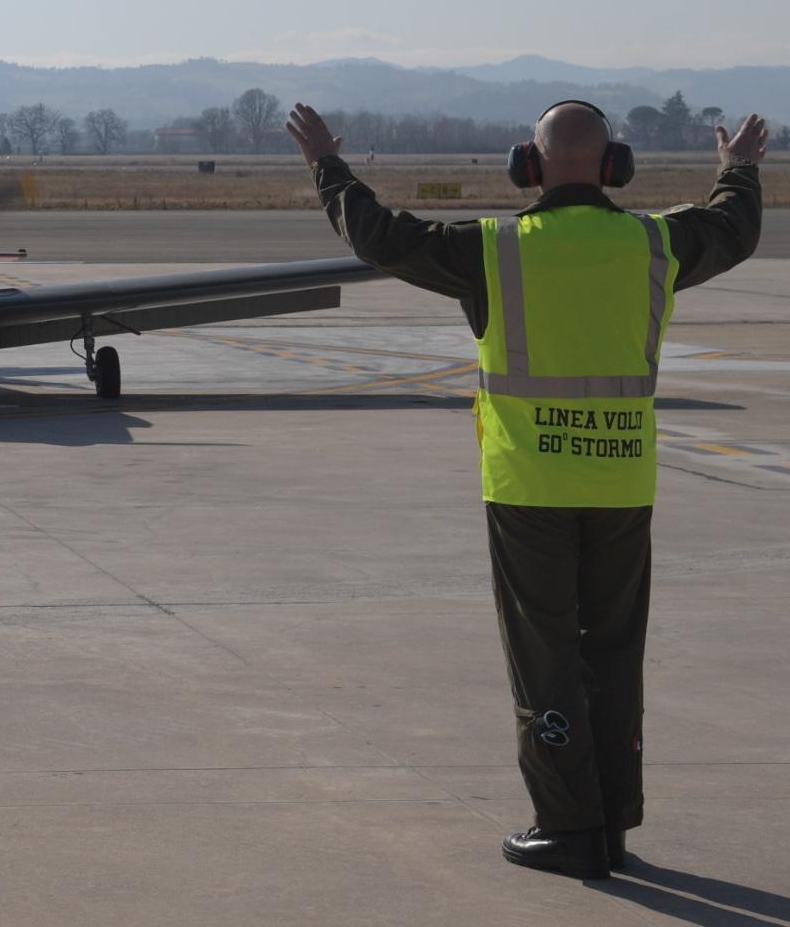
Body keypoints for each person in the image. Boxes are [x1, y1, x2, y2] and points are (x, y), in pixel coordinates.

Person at [285, 100, 765, 879]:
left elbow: (380, 236)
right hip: (620, 481)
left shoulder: (491, 249)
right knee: (612, 656)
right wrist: (737, 166)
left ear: (526, 167)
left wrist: (326, 167)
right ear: (615, 166)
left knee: (544, 658)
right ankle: (610, 820)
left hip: (528, 486)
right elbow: (733, 227)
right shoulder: (654, 241)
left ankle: (566, 826)